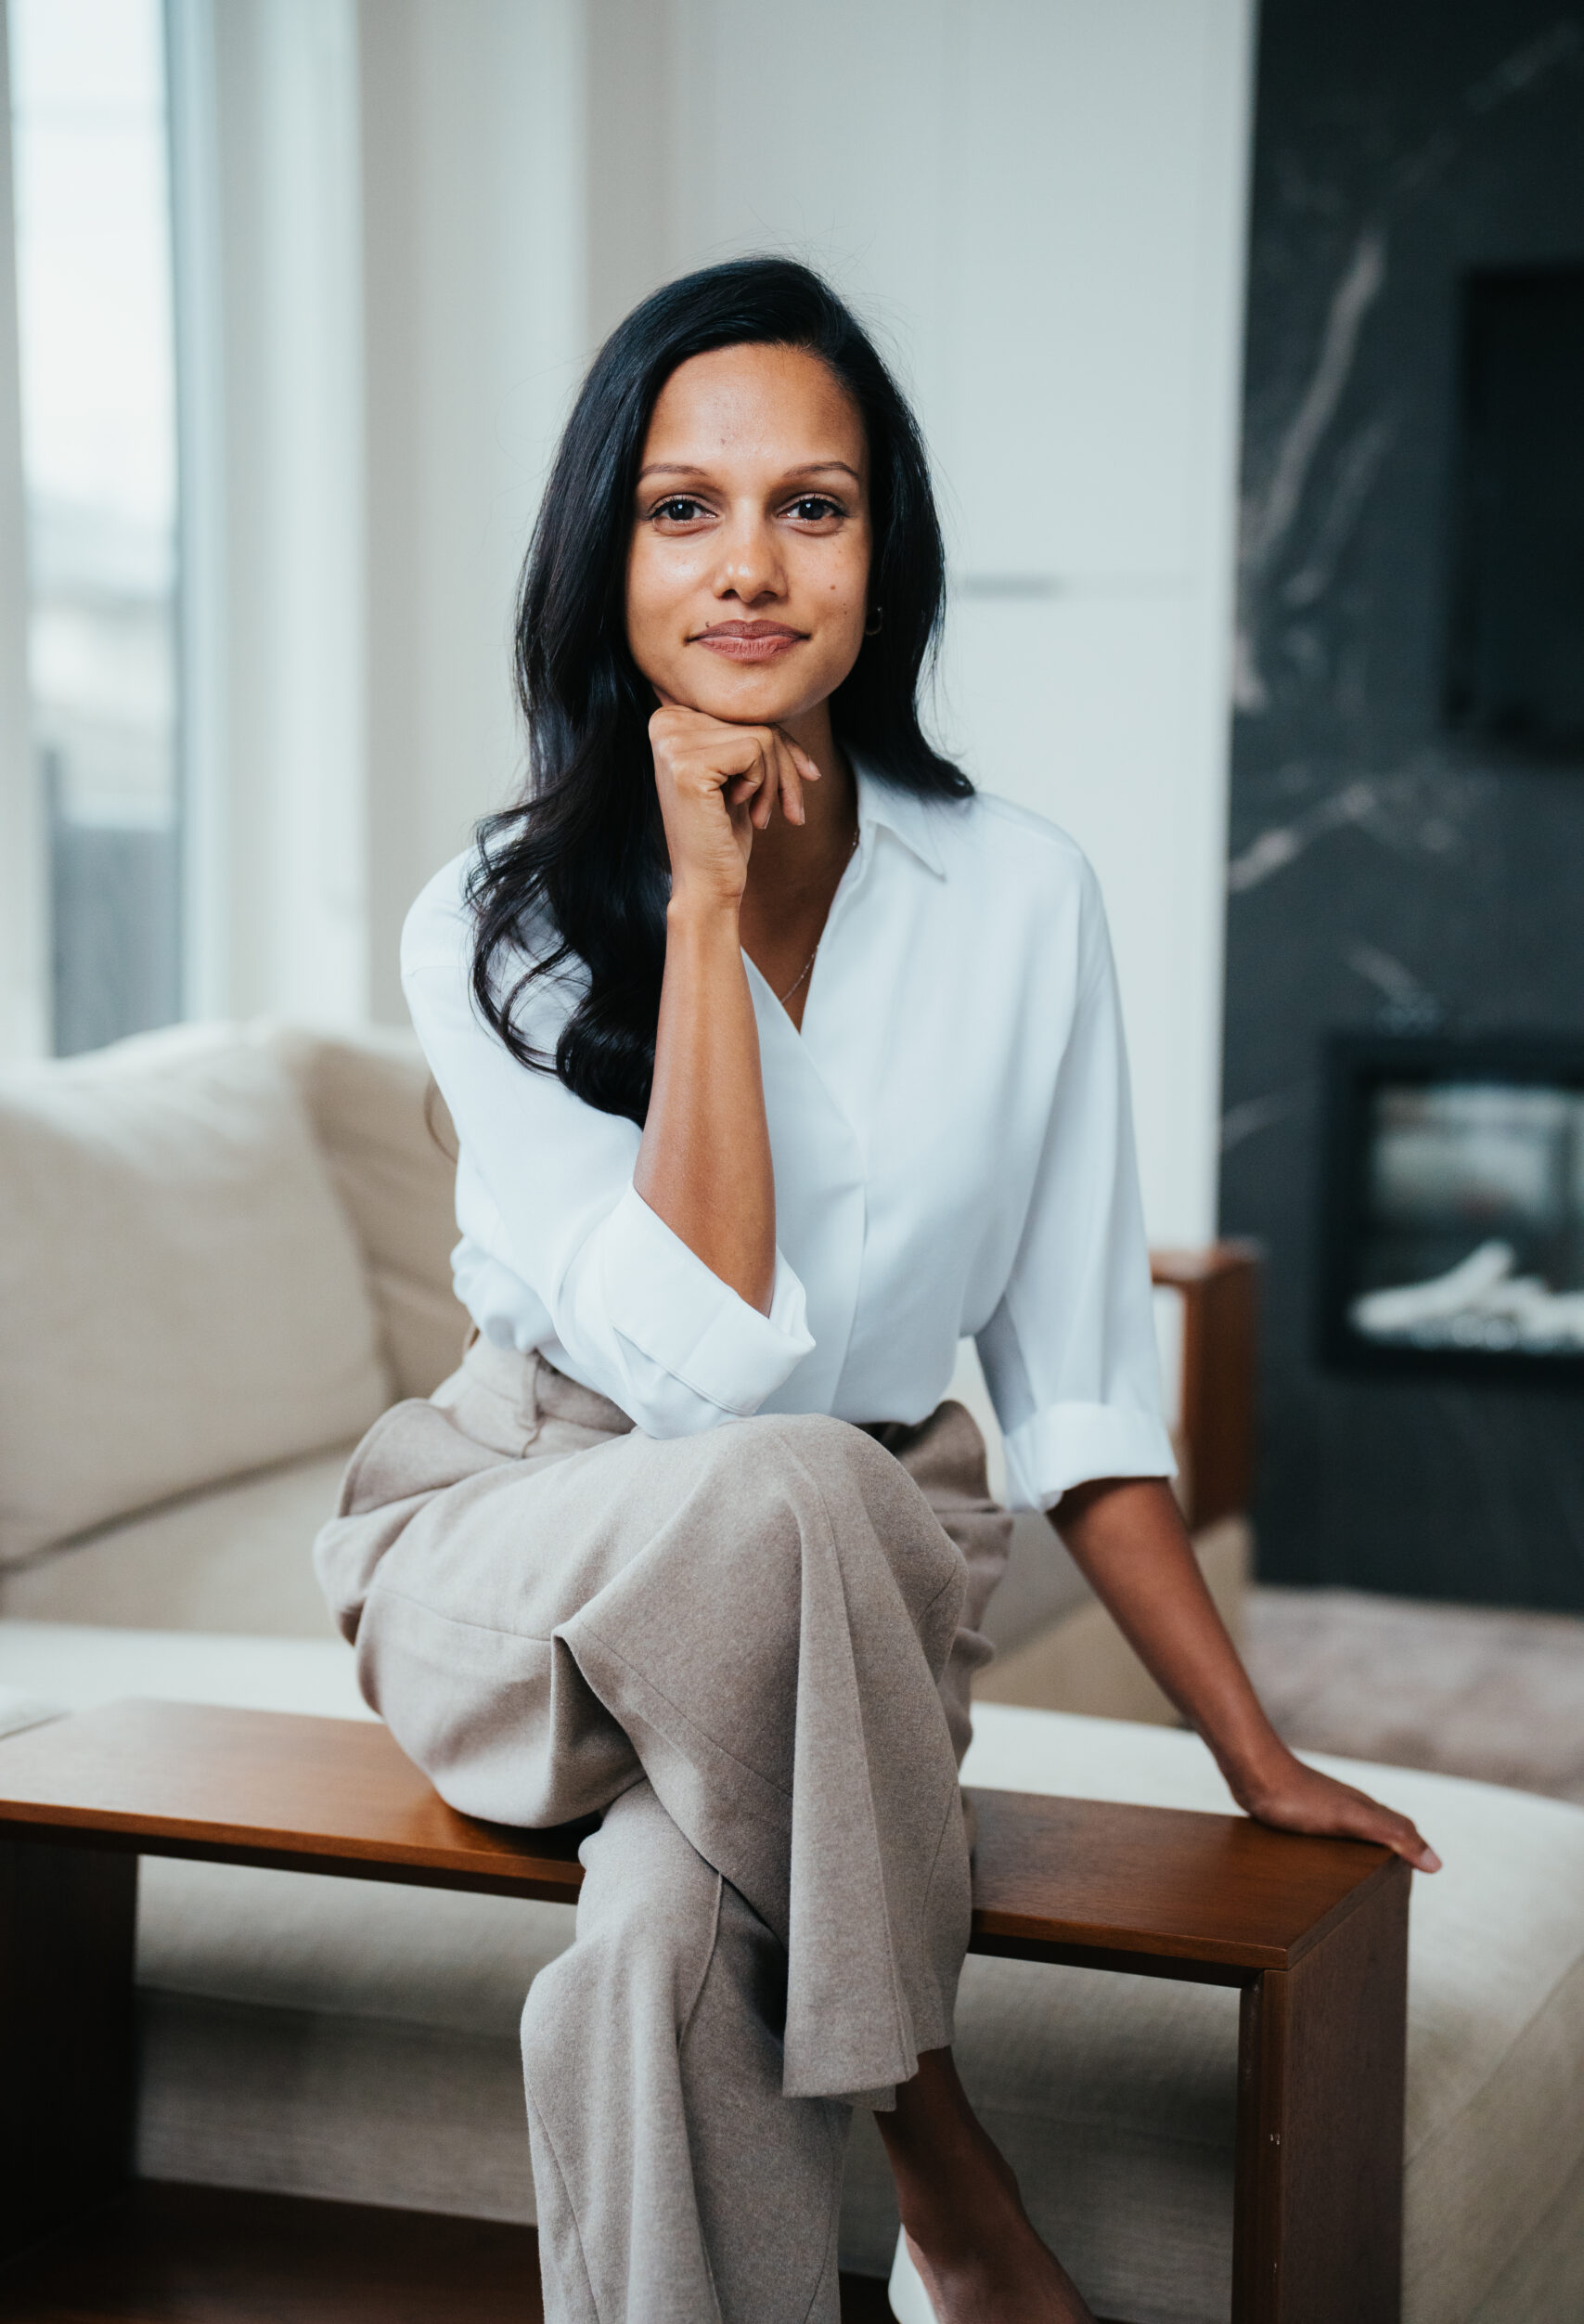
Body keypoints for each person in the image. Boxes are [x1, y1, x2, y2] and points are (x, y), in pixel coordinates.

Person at [316, 257, 1437, 2324]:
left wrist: (1248, 1750)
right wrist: (708, 898)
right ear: (605, 553)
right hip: (523, 1553)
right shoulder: (490, 919)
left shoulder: (1018, 893)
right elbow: (693, 1349)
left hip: (835, 1612)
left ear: (879, 550)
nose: (748, 563)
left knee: (663, 1951)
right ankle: (949, 2174)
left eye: (809, 506)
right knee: (788, 1474)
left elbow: (1082, 1389)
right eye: (683, 507)